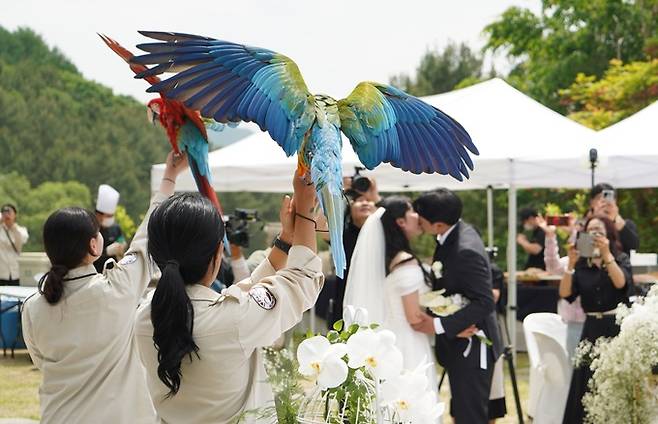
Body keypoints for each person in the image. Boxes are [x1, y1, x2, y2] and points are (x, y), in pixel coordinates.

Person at [134, 171, 324, 424]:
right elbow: (304, 276)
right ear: (216, 254)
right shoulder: (233, 320)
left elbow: (242, 294)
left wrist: (284, 242)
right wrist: (305, 211)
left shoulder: (145, 317)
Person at [21, 151, 187, 423]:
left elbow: (41, 361)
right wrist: (169, 178)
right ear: (94, 245)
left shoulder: (32, 307)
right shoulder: (117, 287)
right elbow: (147, 237)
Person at [411, 188, 503, 424]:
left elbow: (485, 301)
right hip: (460, 340)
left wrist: (440, 324)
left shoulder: (465, 250)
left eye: (420, 217)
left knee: (469, 416)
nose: (417, 220)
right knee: (461, 411)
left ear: (439, 224)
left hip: (473, 344)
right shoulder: (452, 234)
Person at [344, 196, 438, 400]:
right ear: (400, 222)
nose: (417, 215)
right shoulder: (405, 263)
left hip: (391, 335)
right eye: (411, 210)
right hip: (408, 340)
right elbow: (413, 317)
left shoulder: (390, 260)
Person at [560, 215, 632, 424]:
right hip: (590, 329)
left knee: (614, 382)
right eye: (590, 230)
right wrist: (570, 265)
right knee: (585, 383)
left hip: (615, 328)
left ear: (609, 234)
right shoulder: (582, 265)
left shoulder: (620, 258)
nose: (594, 234)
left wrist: (607, 254)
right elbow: (566, 294)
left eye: (599, 230)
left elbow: (621, 284)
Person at [328, 187, 377, 326]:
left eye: (369, 200)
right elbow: (320, 224)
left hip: (374, 296)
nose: (365, 203)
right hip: (345, 298)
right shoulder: (342, 233)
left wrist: (376, 195)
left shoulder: (384, 234)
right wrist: (340, 192)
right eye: (359, 200)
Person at [589, 183, 639, 255]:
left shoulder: (626, 224)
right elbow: (583, 250)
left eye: (607, 197)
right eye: (599, 198)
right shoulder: (586, 224)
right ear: (592, 202)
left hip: (619, 265)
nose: (604, 202)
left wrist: (614, 220)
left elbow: (634, 245)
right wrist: (596, 219)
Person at [93, 184, 128, 272]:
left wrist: (122, 244)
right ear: (99, 215)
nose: (110, 219)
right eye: (108, 216)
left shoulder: (115, 228)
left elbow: (121, 239)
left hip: (112, 272)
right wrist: (106, 252)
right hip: (95, 273)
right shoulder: (90, 229)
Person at [0, 204, 29, 285]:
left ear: (15, 214)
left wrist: (12, 227)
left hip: (16, 273)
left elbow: (23, 239)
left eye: (9, 212)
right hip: (1, 272)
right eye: (4, 212)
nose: (7, 214)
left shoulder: (21, 230)